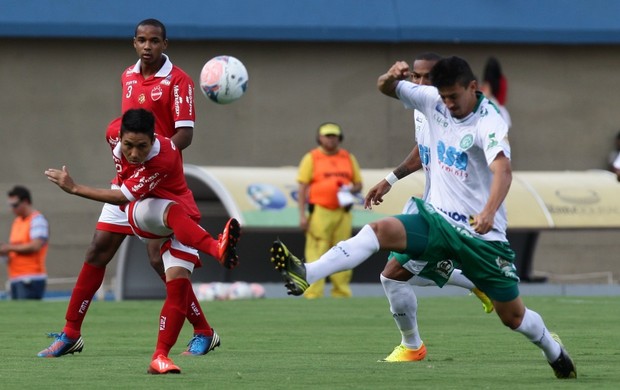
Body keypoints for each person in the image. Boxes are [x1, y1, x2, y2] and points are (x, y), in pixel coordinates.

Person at [270, 56, 576, 379]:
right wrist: (391, 77)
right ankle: (308, 272)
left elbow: (503, 170)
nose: (446, 104)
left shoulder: (490, 120)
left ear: (472, 87)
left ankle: (553, 350)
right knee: (379, 232)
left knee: (513, 317)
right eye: (441, 96)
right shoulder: (433, 100)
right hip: (436, 221)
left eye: (453, 97)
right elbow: (385, 89)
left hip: (480, 236)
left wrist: (488, 211)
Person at [36, 18, 217, 358]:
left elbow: (185, 135)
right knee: (97, 250)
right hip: (126, 180)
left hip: (159, 183)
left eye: (154, 40)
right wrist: (129, 161)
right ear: (134, 43)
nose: (147, 46)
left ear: (165, 44)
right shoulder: (128, 76)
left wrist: (154, 161)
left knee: (158, 261)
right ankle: (70, 332)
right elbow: (128, 131)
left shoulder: (179, 81)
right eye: (141, 40)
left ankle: (204, 330)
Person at [44, 108, 240, 374]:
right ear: (119, 136)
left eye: (142, 147)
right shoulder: (113, 131)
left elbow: (125, 196)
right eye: (128, 145)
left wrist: (74, 188)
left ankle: (162, 355)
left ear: (153, 139)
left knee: (177, 280)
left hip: (152, 205)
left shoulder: (164, 156)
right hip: (139, 203)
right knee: (98, 251)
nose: (134, 153)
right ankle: (70, 332)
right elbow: (123, 191)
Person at [369, 52, 493, 363]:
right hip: (430, 205)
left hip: (451, 211)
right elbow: (422, 150)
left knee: (392, 276)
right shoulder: (421, 108)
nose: (422, 83)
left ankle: (413, 347)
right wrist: (390, 179)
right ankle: (481, 283)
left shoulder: (454, 111)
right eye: (416, 77)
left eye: (429, 77)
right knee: (417, 273)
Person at [296, 122, 363, 298]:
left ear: (339, 138)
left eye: (334, 136)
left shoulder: (348, 157)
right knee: (317, 250)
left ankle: (341, 292)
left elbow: (358, 184)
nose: (331, 139)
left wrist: (350, 188)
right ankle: (313, 293)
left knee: (343, 251)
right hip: (320, 211)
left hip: (342, 213)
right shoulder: (312, 157)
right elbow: (302, 187)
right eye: (327, 135)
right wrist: (302, 216)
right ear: (320, 137)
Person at [0, 186, 50, 300]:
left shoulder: (37, 220)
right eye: (11, 205)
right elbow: (14, 248)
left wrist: (8, 248)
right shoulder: (17, 222)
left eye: (15, 205)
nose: (12, 209)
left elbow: (36, 245)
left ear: (26, 201)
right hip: (15, 277)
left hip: (31, 278)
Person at [479, 57, 511, 128]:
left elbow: (485, 96)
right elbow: (503, 99)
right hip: (501, 111)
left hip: (491, 109)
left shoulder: (486, 83)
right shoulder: (502, 80)